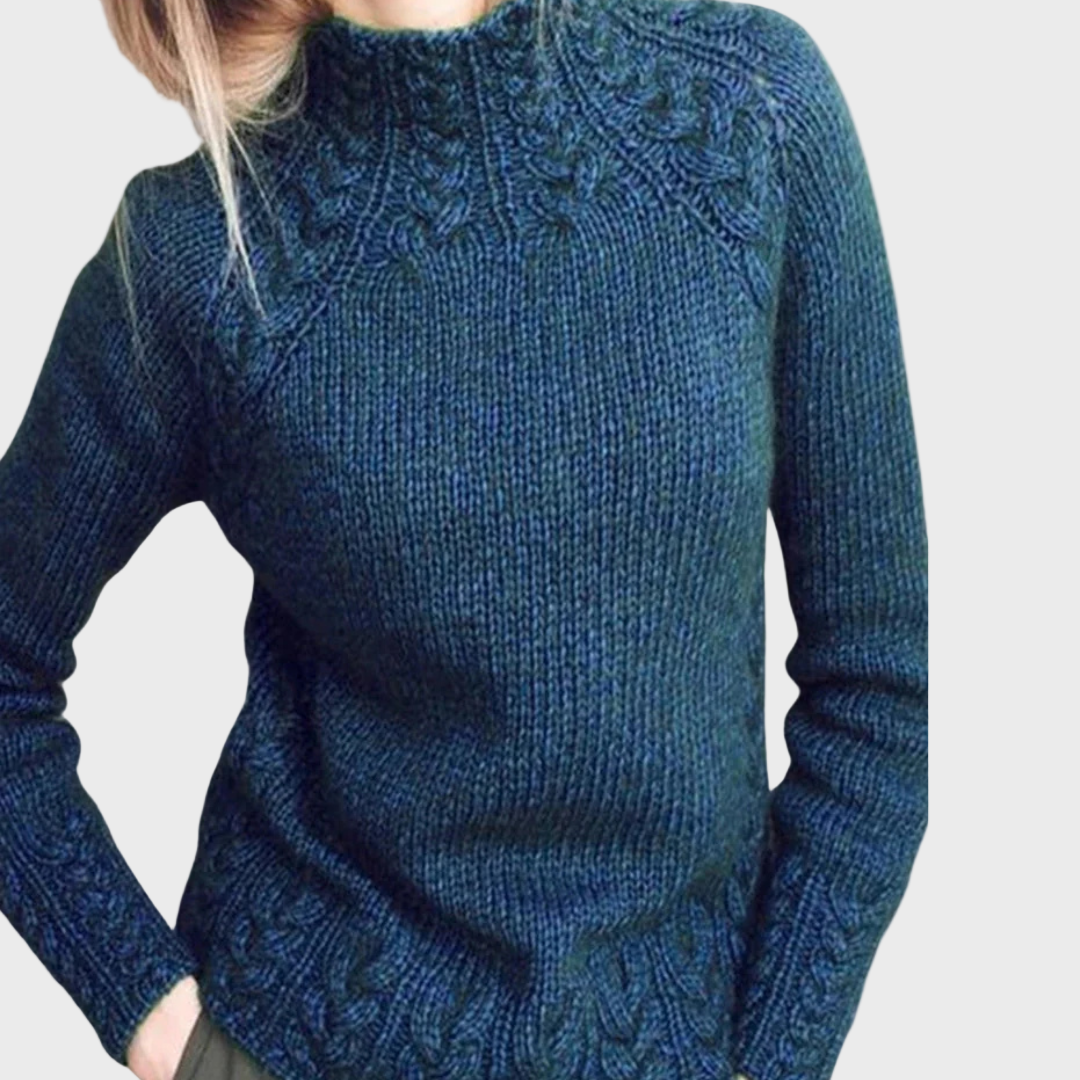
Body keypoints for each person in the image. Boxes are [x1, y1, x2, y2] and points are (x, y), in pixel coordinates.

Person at [0, 0, 929, 1078]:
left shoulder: (749, 117)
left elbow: (873, 695)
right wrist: (183, 1043)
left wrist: (769, 1065)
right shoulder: (203, 251)